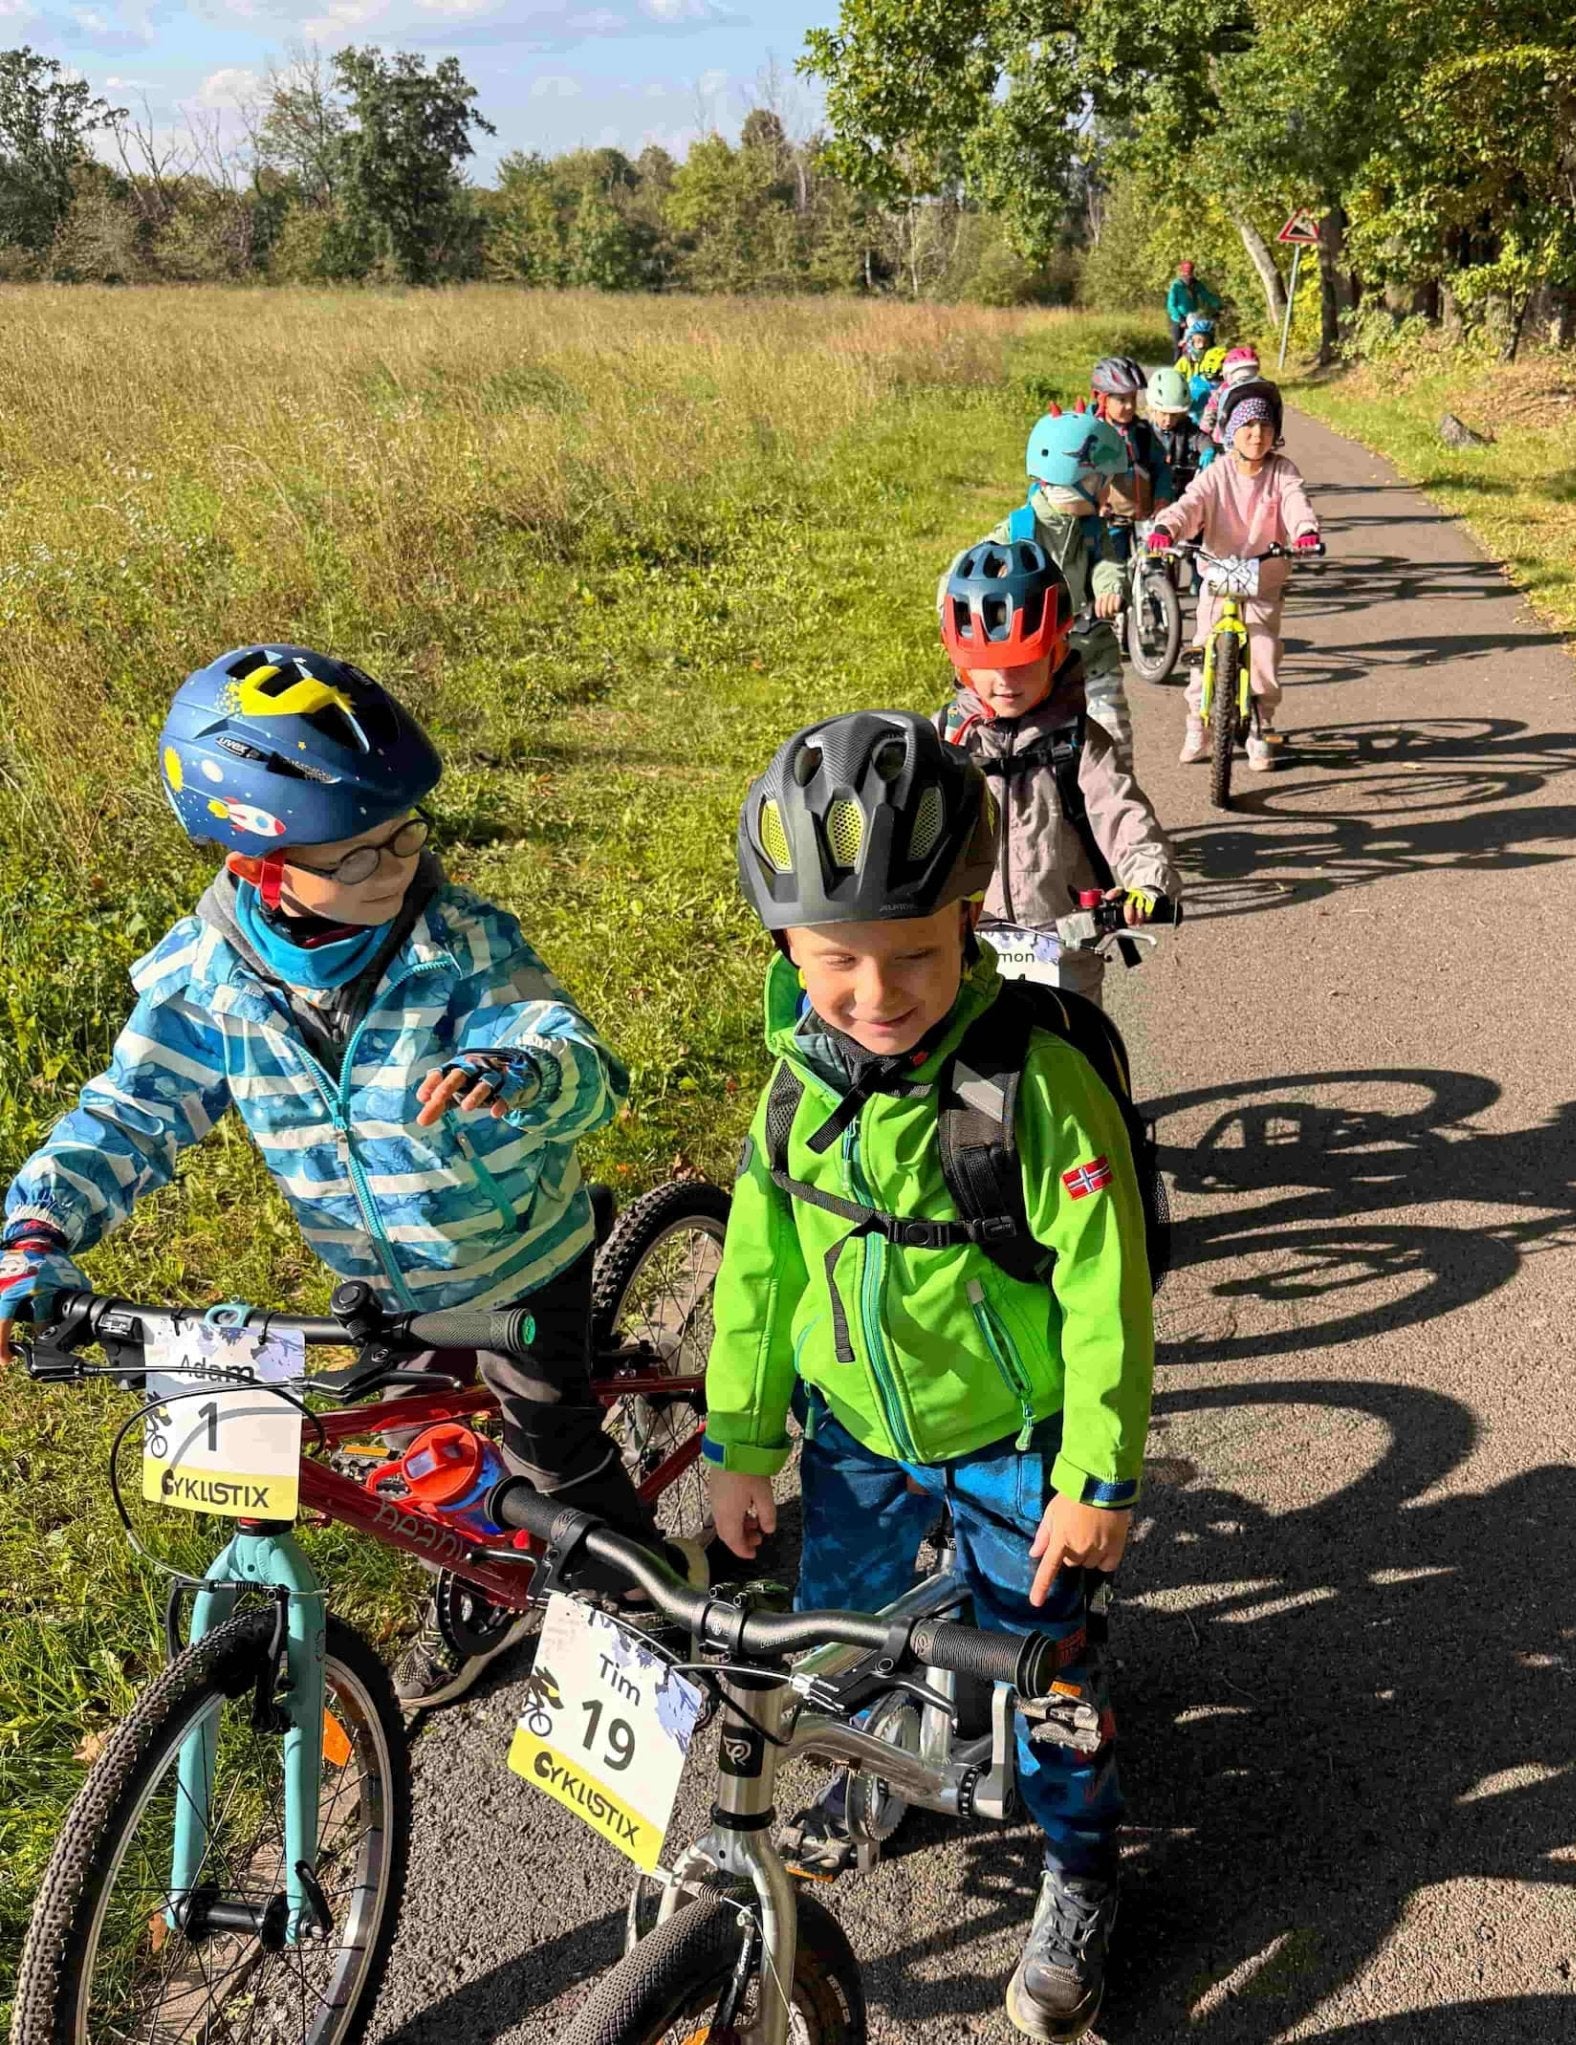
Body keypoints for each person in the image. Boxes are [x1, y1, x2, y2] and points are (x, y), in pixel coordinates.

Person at [0, 645, 642, 1707]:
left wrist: (521, 1068)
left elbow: (576, 1057)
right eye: (354, 856)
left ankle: (650, 1637)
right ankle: (487, 1585)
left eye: (404, 836)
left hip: (519, 1266)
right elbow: (134, 1109)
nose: (393, 867)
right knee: (419, 1468)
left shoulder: (459, 945)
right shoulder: (206, 980)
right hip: (383, 1287)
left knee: (556, 1471)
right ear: (255, 864)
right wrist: (37, 1223)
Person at [705, 711, 1152, 2041]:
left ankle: (1079, 1870)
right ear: (787, 945)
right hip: (857, 1437)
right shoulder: (793, 1090)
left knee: (1048, 1671)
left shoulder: (1034, 1084)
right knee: (841, 1637)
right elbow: (758, 1274)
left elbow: (1104, 1284)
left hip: (1023, 1440)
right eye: (840, 959)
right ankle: (881, 1771)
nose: (880, 991)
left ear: (970, 926)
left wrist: (1100, 1474)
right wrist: (740, 1441)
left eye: (917, 954)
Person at [937, 540, 1179, 1000]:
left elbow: (1121, 811)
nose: (1004, 681)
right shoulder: (946, 741)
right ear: (960, 660)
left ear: (1057, 650)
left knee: (1082, 1055)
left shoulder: (1080, 742)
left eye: (1022, 663)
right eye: (988, 666)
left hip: (1065, 943)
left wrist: (1146, 878)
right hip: (968, 944)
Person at [1147, 380, 1324, 775]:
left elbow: (1296, 502)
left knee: (1262, 652)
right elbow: (1190, 503)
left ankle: (1261, 724)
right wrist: (1167, 528)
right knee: (1202, 648)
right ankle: (1198, 722)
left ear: (1276, 432)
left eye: (1264, 426)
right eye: (1247, 426)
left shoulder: (1282, 472)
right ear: (1229, 431)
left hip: (1263, 576)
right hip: (1220, 572)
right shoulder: (1218, 473)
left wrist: (1304, 531)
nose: (1256, 434)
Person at [980, 407, 1137, 761]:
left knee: (1114, 742)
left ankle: (1116, 804)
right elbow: (970, 568)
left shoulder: (1093, 530)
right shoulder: (1018, 530)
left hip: (1090, 653)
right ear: (1081, 480)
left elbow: (1107, 564)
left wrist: (1111, 589)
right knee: (1036, 754)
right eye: (1105, 482)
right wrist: (956, 597)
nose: (1109, 493)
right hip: (1035, 664)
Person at [1086, 356, 1177, 528]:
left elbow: (1161, 468)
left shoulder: (1141, 431)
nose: (1130, 406)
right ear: (1100, 398)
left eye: (1133, 398)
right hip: (1107, 527)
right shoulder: (1087, 434)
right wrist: (1095, 505)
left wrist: (1162, 499)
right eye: (1122, 400)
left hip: (1144, 524)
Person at [1146, 365, 1206, 495]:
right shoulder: (1144, 431)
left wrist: (1208, 450)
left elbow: (1201, 438)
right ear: (1152, 409)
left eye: (1174, 415)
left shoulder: (1185, 428)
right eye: (1163, 414)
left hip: (1180, 487)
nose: (1168, 421)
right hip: (1151, 488)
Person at [1197, 343, 1265, 448]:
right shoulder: (1223, 391)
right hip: (1224, 441)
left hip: (1252, 440)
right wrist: (1204, 432)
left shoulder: (1263, 390)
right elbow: (1211, 411)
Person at [1165, 258, 1222, 357]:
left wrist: (1218, 305)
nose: (1188, 276)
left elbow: (1206, 296)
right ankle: (1177, 366)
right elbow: (1171, 305)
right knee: (1178, 347)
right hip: (1179, 319)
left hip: (1192, 318)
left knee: (1200, 342)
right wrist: (1179, 318)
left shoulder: (1196, 284)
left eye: (1190, 273)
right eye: (1186, 274)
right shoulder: (1176, 286)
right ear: (1182, 273)